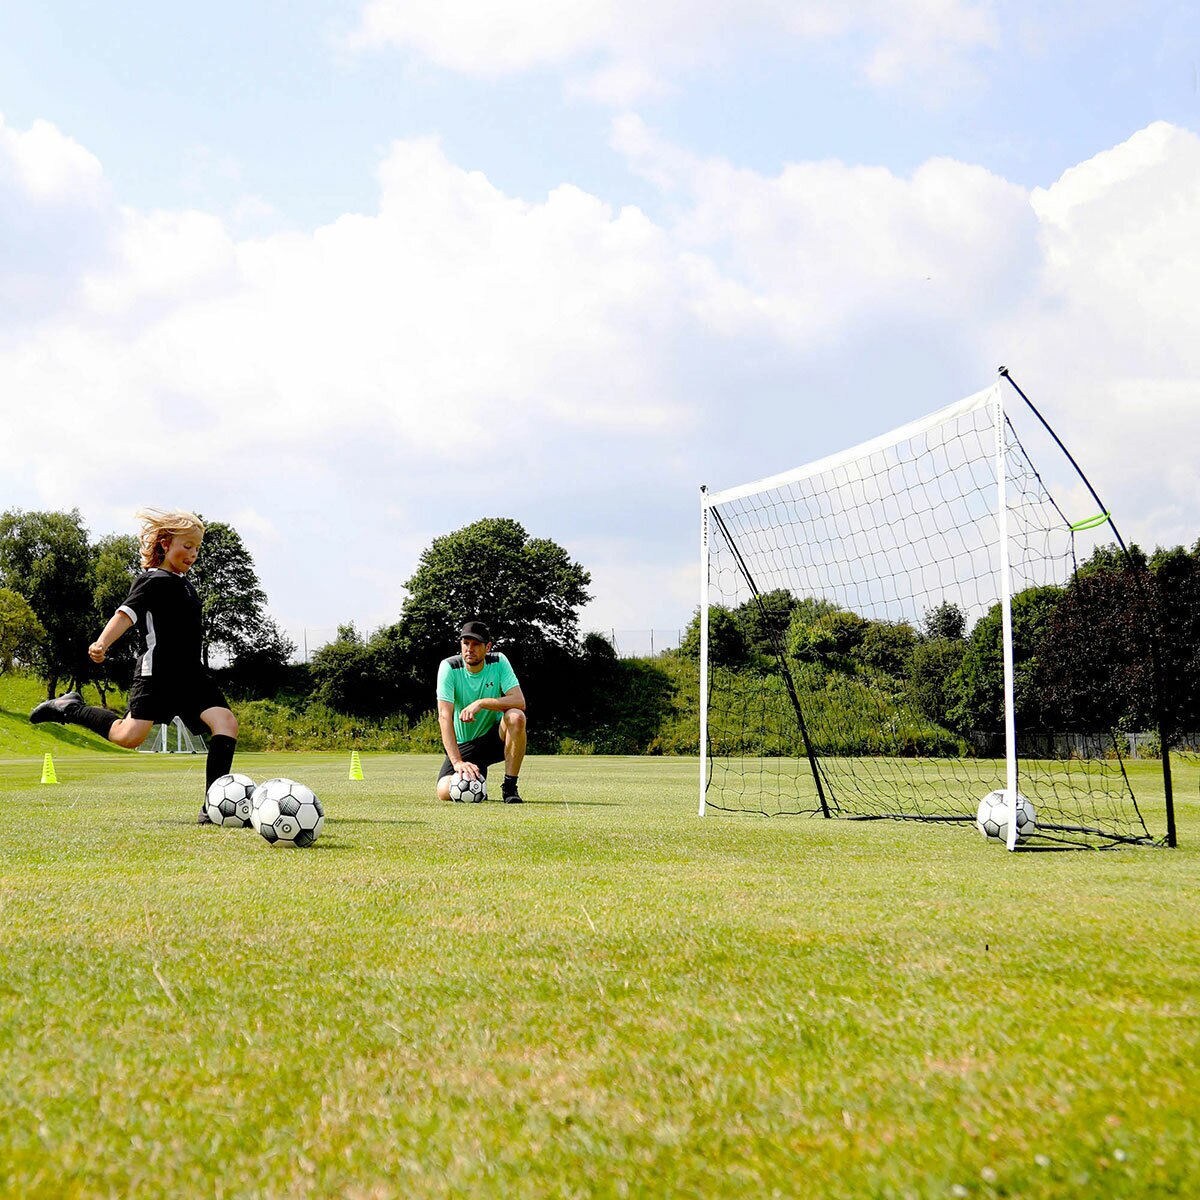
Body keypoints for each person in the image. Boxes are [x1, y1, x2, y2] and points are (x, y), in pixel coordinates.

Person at [29, 509, 239, 824]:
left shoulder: (186, 586)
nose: (192, 554)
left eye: (197, 548)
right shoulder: (152, 580)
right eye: (187, 546)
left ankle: (213, 808)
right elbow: (126, 614)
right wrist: (102, 643)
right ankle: (68, 708)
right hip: (158, 673)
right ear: (166, 544)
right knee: (130, 736)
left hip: (192, 675)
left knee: (226, 724)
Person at [435, 620, 527, 803]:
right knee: (444, 792)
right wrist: (457, 762)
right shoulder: (449, 667)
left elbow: (519, 701)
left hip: (494, 739)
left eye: (476, 644)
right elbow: (444, 717)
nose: (470, 648)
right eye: (466, 643)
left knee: (516, 716)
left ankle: (510, 788)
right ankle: (478, 786)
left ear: (488, 647)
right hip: (464, 744)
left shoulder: (499, 661)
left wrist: (481, 703)